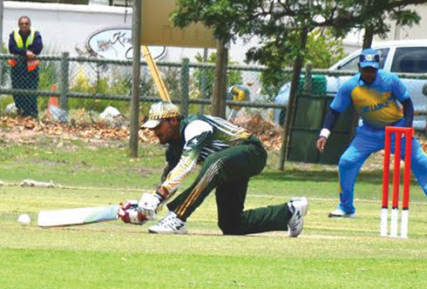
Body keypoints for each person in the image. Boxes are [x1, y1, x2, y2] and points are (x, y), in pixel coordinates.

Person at [119, 101, 308, 236]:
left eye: (159, 126)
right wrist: (147, 209)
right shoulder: (173, 149)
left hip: (251, 153)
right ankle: (290, 212)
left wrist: (159, 197)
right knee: (231, 224)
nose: (155, 132)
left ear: (173, 121)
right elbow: (171, 182)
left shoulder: (196, 127)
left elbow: (186, 165)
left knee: (213, 165)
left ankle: (177, 218)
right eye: (153, 128)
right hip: (228, 166)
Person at [315, 48, 427, 223]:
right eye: (366, 69)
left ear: (377, 68)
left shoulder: (390, 80)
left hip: (397, 129)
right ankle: (346, 208)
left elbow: (407, 104)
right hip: (368, 132)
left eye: (372, 69)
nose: (369, 73)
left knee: (421, 163)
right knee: (346, 162)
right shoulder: (350, 87)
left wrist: (406, 128)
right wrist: (324, 134)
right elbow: (334, 111)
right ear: (359, 67)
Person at [8, 15, 43, 117]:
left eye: (26, 23)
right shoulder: (13, 34)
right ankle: (21, 112)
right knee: (17, 92)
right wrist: (26, 52)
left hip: (31, 69)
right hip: (17, 68)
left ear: (30, 25)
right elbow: (12, 48)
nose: (24, 25)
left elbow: (38, 48)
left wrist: (22, 52)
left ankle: (32, 115)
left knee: (31, 92)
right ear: (19, 25)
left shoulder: (35, 34)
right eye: (22, 23)